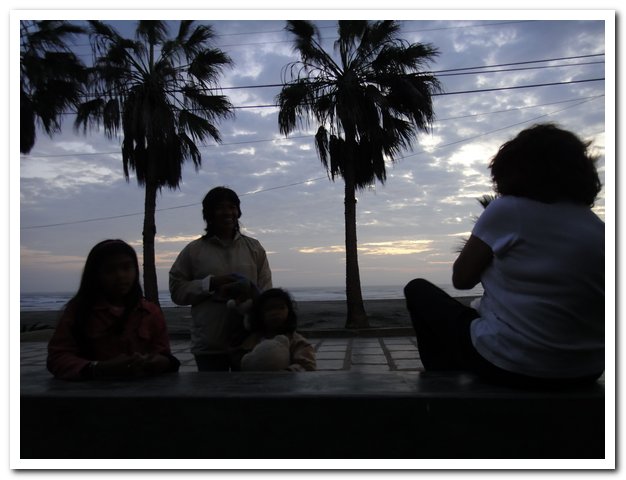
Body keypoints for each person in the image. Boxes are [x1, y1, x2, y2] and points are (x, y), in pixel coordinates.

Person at [404, 123, 604, 388]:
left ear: (514, 169)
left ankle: (442, 387)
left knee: (417, 290)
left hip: (514, 364)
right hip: (587, 370)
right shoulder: (597, 226)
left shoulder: (508, 209)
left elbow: (461, 279)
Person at [169, 186, 272, 371]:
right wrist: (210, 284)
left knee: (250, 389)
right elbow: (176, 290)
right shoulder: (193, 250)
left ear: (238, 211)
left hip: (249, 343)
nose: (227, 212)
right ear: (208, 213)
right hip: (209, 345)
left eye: (232, 207)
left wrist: (250, 295)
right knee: (212, 391)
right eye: (220, 207)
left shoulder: (254, 248)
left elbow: (266, 292)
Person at [47, 239, 180, 381]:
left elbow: (163, 353)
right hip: (90, 391)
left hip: (142, 390)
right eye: (109, 270)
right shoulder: (78, 311)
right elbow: (57, 358)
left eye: (126, 267)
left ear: (135, 270)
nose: (120, 276)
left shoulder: (150, 312)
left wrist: (160, 362)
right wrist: (98, 368)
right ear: (95, 274)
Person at [240, 288, 316, 372]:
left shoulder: (297, 341)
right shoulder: (252, 339)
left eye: (281, 307)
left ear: (289, 311)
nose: (275, 312)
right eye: (269, 308)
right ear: (259, 313)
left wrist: (288, 372)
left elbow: (307, 365)